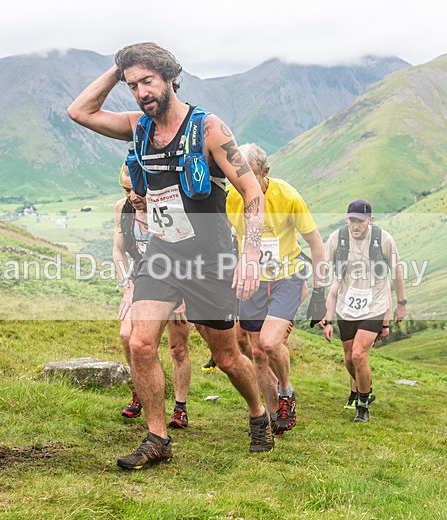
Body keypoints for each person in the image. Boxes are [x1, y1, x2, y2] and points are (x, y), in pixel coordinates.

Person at [68, 42, 273, 470]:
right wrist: (117, 66)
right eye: (132, 85)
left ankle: (258, 413)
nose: (141, 92)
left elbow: (252, 192)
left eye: (147, 81)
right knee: (141, 343)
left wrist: (250, 254)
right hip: (162, 254)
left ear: (168, 78)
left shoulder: (208, 128)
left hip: (210, 258)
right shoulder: (137, 127)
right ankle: (158, 437)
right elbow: (80, 112)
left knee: (226, 356)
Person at [226, 143, 325, 435]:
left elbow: (316, 244)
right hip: (255, 280)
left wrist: (319, 294)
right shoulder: (232, 196)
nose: (242, 181)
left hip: (288, 277)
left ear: (265, 172)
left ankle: (286, 392)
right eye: (237, 174)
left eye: (250, 174)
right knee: (256, 353)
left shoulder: (287, 196)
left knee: (269, 343)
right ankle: (272, 419)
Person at [113, 164, 192, 429]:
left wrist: (182, 296)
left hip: (176, 278)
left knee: (178, 347)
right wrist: (128, 287)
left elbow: (186, 251)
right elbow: (118, 252)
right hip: (142, 280)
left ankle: (180, 407)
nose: (133, 197)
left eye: (137, 190)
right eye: (126, 191)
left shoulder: (167, 208)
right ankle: (141, 389)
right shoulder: (122, 210)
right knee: (128, 336)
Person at [318, 199, 408, 423]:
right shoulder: (337, 239)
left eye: (359, 221)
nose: (355, 225)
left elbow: (396, 271)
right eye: (351, 220)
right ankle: (365, 387)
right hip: (346, 306)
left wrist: (401, 303)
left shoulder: (383, 239)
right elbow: (324, 270)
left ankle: (362, 405)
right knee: (349, 359)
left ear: (370, 219)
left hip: (375, 304)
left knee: (359, 354)